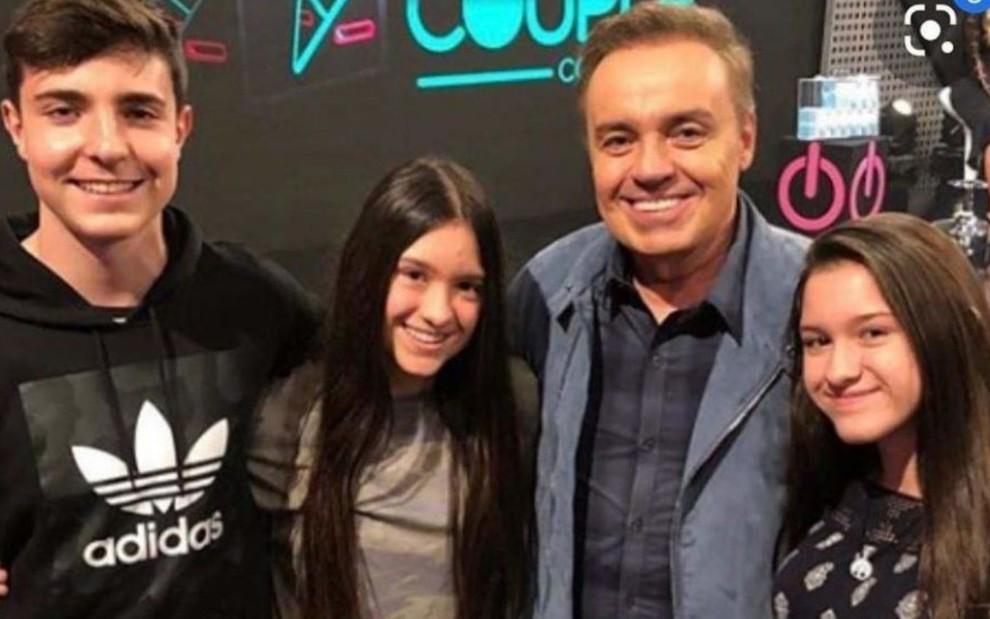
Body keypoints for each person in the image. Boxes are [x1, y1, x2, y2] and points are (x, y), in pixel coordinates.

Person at [0, 1, 317, 616]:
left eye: (139, 111)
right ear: (16, 127)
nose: (107, 146)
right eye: (64, 110)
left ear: (181, 129)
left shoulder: (254, 301)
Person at [508, 3, 808, 618]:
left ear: (745, 139)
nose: (649, 169)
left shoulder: (820, 304)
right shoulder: (544, 290)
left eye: (686, 132)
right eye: (618, 140)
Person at [251, 157, 535, 619]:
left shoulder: (512, 407)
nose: (439, 312)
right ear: (369, 271)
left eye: (466, 286)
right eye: (415, 275)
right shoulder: (288, 415)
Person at [774, 213, 990, 619]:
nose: (838, 370)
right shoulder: (831, 484)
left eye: (873, 333)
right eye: (817, 341)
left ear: (949, 332)